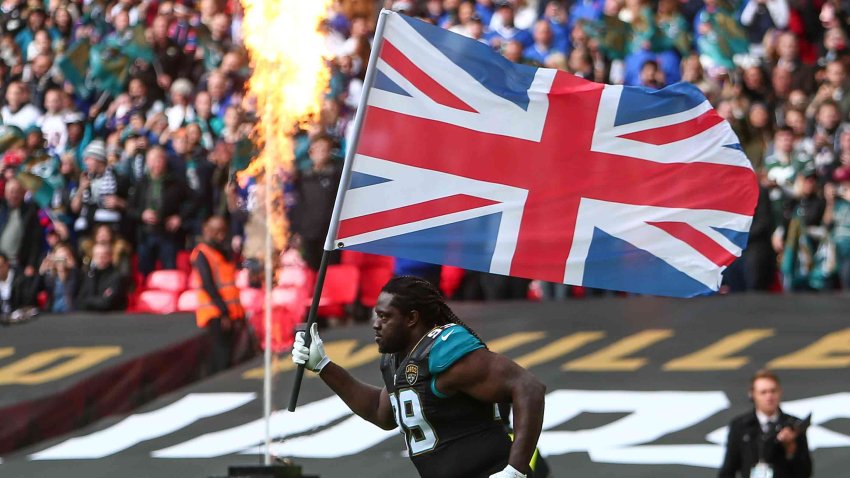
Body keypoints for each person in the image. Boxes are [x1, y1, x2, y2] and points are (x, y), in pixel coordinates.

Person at [291, 276, 546, 478]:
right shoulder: (396, 360)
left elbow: (529, 388)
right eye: (376, 315)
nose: (375, 324)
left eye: (385, 316)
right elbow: (381, 411)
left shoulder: (443, 350)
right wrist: (324, 366)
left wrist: (515, 470)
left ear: (412, 318)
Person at [719, 369, 812, 478]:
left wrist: (790, 448)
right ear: (752, 394)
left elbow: (805, 472)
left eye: (773, 391)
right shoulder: (740, 425)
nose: (769, 397)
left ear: (780, 392)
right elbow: (729, 468)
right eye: (763, 392)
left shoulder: (793, 425)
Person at [190, 216, 247, 373]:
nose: (221, 236)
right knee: (221, 357)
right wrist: (223, 313)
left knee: (231, 356)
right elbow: (208, 285)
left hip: (232, 311)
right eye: (217, 232)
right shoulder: (202, 254)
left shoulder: (222, 251)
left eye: (223, 232)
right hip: (216, 313)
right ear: (206, 231)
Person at [75, 242, 128, 311]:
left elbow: (106, 303)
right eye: (97, 255)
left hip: (112, 318)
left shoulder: (117, 277)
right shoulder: (88, 275)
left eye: (104, 255)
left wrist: (88, 300)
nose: (100, 258)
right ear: (93, 257)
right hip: (88, 318)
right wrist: (97, 300)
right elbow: (79, 301)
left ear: (110, 257)